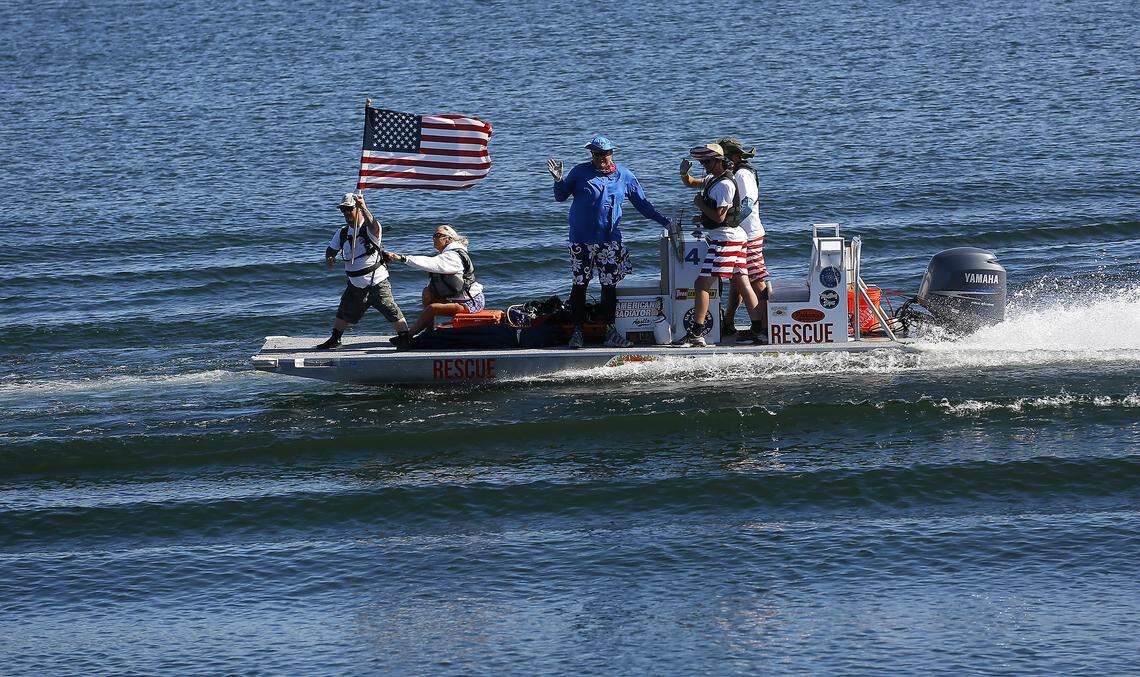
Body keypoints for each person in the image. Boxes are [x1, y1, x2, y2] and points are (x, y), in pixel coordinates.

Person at [547, 134, 672, 349]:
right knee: (580, 285)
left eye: (604, 153)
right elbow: (560, 197)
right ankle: (577, 332)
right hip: (581, 241)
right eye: (596, 154)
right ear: (591, 154)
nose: (601, 158)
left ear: (611, 153)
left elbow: (642, 204)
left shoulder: (624, 175)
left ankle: (610, 331)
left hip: (610, 242)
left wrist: (665, 221)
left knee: (609, 286)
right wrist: (558, 181)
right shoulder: (579, 172)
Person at [673, 143, 765, 347]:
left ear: (718, 161)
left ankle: (697, 333)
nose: (703, 165)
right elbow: (691, 183)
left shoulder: (724, 185)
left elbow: (719, 215)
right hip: (734, 236)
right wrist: (683, 174)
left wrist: (700, 205)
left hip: (726, 238)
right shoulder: (714, 179)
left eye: (706, 161)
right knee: (742, 281)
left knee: (701, 284)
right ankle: (759, 329)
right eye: (701, 162)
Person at [315, 193, 408, 351]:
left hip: (376, 281)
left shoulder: (371, 229)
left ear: (357, 209)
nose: (345, 213)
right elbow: (330, 249)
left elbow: (373, 224)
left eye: (349, 209)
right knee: (343, 310)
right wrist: (330, 257)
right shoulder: (342, 233)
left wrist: (363, 206)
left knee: (391, 309)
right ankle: (335, 339)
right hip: (355, 284)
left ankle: (405, 338)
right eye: (343, 210)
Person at [387, 225, 485, 337]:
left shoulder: (453, 257)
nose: (434, 238)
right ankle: (429, 332)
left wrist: (402, 258)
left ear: (449, 239)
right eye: (433, 235)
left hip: (470, 302)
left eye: (438, 235)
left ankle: (407, 337)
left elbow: (429, 262)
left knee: (432, 308)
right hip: (456, 298)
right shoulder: (446, 255)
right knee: (427, 293)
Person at [717, 137, 771, 340]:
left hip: (749, 233)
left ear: (733, 156)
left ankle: (764, 327)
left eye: (723, 157)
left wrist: (726, 222)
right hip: (744, 233)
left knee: (756, 278)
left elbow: (747, 205)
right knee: (739, 278)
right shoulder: (739, 172)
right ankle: (730, 321)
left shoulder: (742, 174)